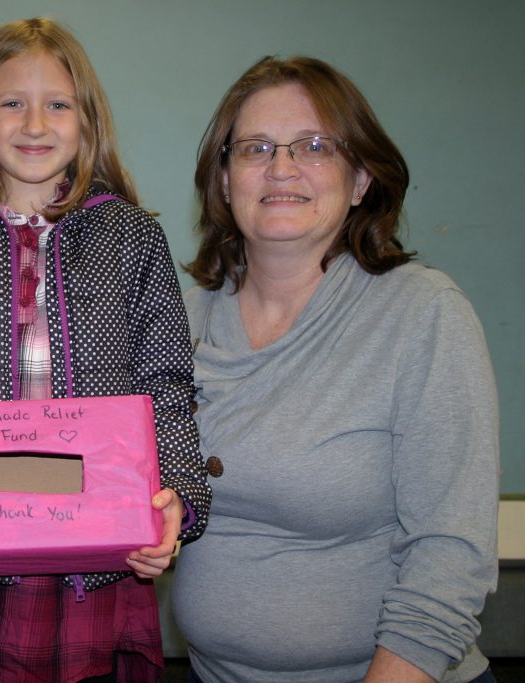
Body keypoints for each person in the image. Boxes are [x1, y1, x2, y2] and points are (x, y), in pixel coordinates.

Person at [0, 17, 211, 683]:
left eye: (57, 103)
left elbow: (166, 385)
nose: (35, 122)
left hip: (103, 552)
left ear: (86, 121)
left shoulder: (132, 239)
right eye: (11, 103)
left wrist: (177, 495)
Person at [170, 55, 499, 683]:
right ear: (223, 179)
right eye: (255, 148)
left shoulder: (422, 314)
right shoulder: (179, 321)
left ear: (360, 179)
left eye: (315, 146)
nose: (281, 167)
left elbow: (450, 553)